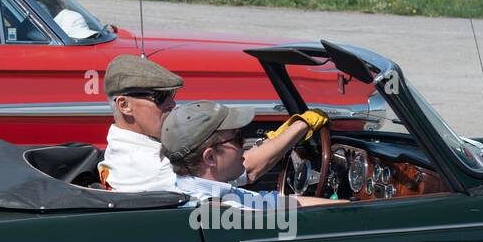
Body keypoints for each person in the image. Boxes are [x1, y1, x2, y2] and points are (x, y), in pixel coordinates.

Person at [96, 54, 321, 192]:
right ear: (124, 105)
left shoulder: (120, 147)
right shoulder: (154, 166)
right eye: (160, 97)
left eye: (172, 96)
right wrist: (301, 125)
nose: (172, 105)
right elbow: (245, 170)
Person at [161, 102, 340, 208]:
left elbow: (272, 202)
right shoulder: (223, 210)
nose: (244, 147)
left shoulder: (186, 186)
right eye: (238, 139)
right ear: (210, 158)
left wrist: (347, 206)